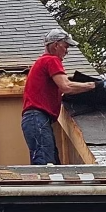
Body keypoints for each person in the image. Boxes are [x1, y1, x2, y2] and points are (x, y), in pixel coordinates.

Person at [21, 28, 99, 165]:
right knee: (46, 166)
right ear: (56, 45)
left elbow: (63, 86)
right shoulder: (51, 60)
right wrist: (94, 85)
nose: (67, 51)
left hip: (35, 120)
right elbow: (66, 86)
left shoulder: (41, 62)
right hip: (37, 118)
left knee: (52, 166)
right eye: (66, 46)